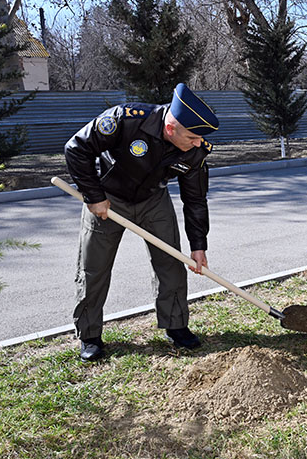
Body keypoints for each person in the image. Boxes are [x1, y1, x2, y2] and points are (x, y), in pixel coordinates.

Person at [64, 82, 219, 361]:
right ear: (171, 129)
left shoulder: (195, 151)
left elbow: (195, 199)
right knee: (93, 268)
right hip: (107, 199)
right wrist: (94, 196)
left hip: (153, 200)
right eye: (193, 137)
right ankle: (89, 335)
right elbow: (76, 149)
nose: (199, 144)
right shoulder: (125, 120)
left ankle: (176, 326)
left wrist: (198, 245)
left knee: (170, 263)